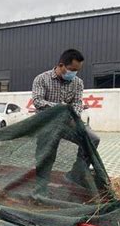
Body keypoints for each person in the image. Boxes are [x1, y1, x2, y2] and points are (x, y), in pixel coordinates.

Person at [32, 48, 100, 192]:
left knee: (92, 139)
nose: (74, 73)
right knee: (46, 155)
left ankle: (75, 175)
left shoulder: (78, 83)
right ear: (61, 65)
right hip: (47, 123)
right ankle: (40, 188)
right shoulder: (41, 79)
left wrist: (72, 114)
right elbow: (38, 101)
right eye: (71, 69)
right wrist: (61, 109)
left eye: (77, 70)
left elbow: (77, 103)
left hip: (69, 122)